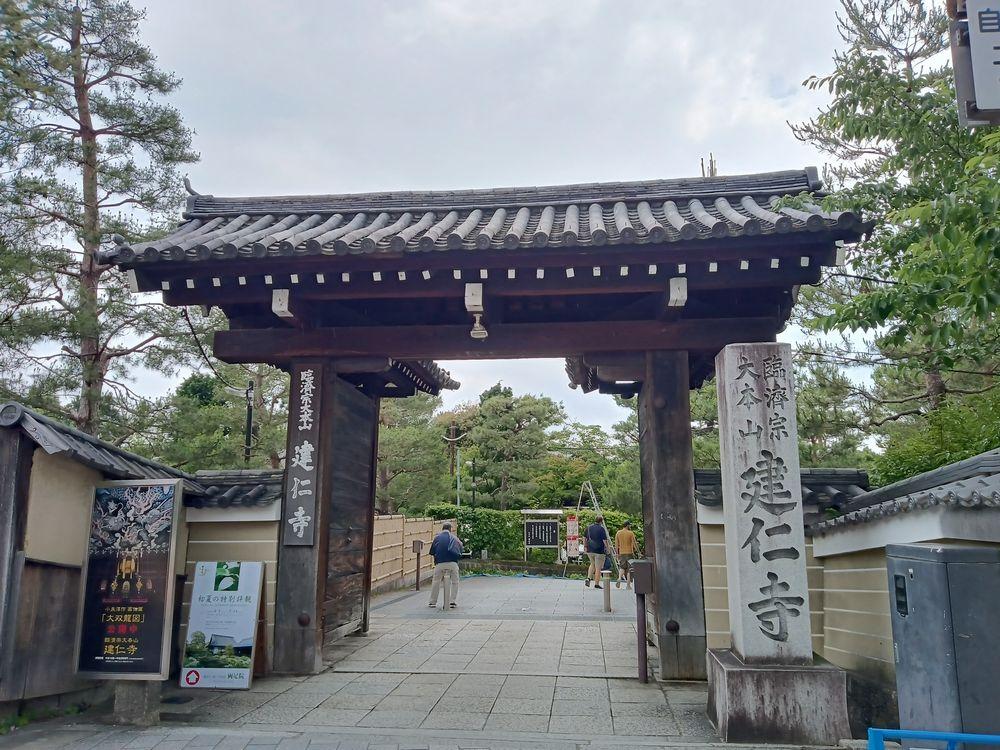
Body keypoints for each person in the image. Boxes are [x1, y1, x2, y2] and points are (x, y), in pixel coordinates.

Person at [428, 522, 462, 609]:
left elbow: (432, 552)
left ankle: (432, 602)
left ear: (442, 528)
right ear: (450, 529)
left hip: (440, 564)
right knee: (455, 581)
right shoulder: (455, 538)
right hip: (453, 564)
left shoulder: (437, 538)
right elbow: (460, 550)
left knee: (436, 581)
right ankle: (452, 601)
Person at [584, 515, 608, 589]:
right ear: (601, 521)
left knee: (592, 564)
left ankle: (588, 578)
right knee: (598, 568)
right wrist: (607, 548)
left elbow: (584, 538)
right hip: (599, 551)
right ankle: (596, 584)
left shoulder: (588, 527)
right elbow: (604, 540)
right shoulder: (601, 529)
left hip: (590, 550)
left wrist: (585, 547)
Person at [614, 520, 638, 589]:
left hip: (622, 553)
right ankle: (628, 585)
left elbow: (616, 545)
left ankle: (619, 578)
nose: (630, 526)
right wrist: (638, 551)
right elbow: (634, 543)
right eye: (629, 525)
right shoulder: (630, 533)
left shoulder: (618, 533)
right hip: (629, 553)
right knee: (629, 569)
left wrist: (617, 553)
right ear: (627, 525)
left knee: (622, 567)